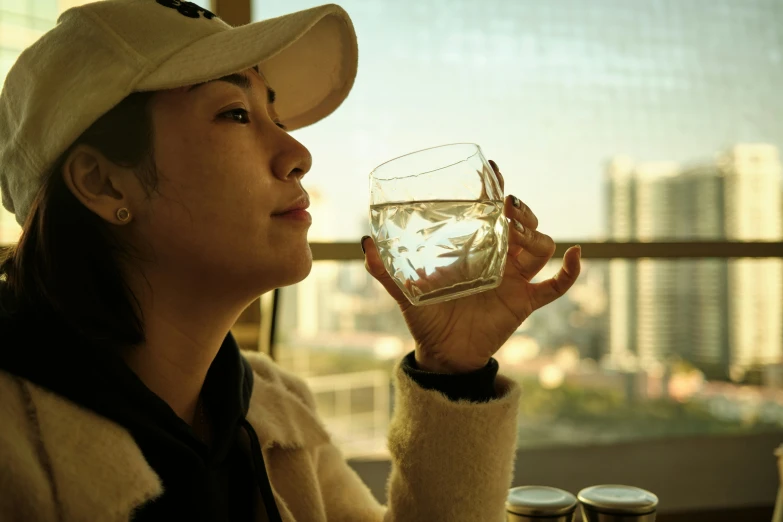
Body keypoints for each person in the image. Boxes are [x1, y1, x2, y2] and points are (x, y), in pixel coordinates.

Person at [0, 0, 581, 521]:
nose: (299, 153)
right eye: (234, 113)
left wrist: (453, 372)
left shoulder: (273, 409)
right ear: (103, 183)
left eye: (274, 116)